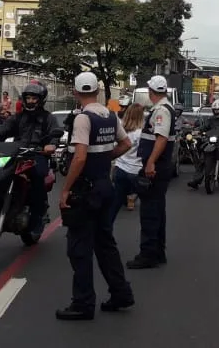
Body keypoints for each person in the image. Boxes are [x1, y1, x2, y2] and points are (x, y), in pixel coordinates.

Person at [56, 72, 134, 320]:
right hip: (105, 187)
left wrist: (66, 188)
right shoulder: (111, 115)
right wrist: (104, 158)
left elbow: (79, 157)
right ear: (98, 91)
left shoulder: (83, 118)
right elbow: (125, 145)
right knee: (105, 244)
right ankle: (121, 294)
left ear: (76, 92)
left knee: (79, 248)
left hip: (86, 190)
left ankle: (83, 303)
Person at [0, 82, 58, 243]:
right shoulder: (18, 118)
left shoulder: (47, 118)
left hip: (38, 154)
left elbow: (55, 133)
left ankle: (38, 214)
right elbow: (2, 131)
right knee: (0, 173)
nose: (30, 101)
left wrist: (52, 144)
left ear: (41, 100)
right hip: (17, 152)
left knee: (38, 176)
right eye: (28, 97)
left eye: (34, 98)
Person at [128, 75, 177, 270]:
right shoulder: (164, 108)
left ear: (151, 92)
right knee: (157, 211)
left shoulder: (161, 111)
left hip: (156, 168)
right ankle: (157, 252)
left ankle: (148, 254)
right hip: (160, 166)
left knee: (149, 212)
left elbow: (161, 139)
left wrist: (150, 162)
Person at [187, 100, 219, 190]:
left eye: (217, 110)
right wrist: (198, 130)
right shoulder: (210, 119)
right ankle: (195, 181)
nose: (216, 111)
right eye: (214, 110)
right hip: (212, 141)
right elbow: (204, 127)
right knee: (202, 159)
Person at [110, 105, 146, 221]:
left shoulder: (121, 130)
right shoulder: (142, 133)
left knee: (114, 206)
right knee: (148, 206)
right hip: (136, 170)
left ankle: (105, 232)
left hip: (120, 169)